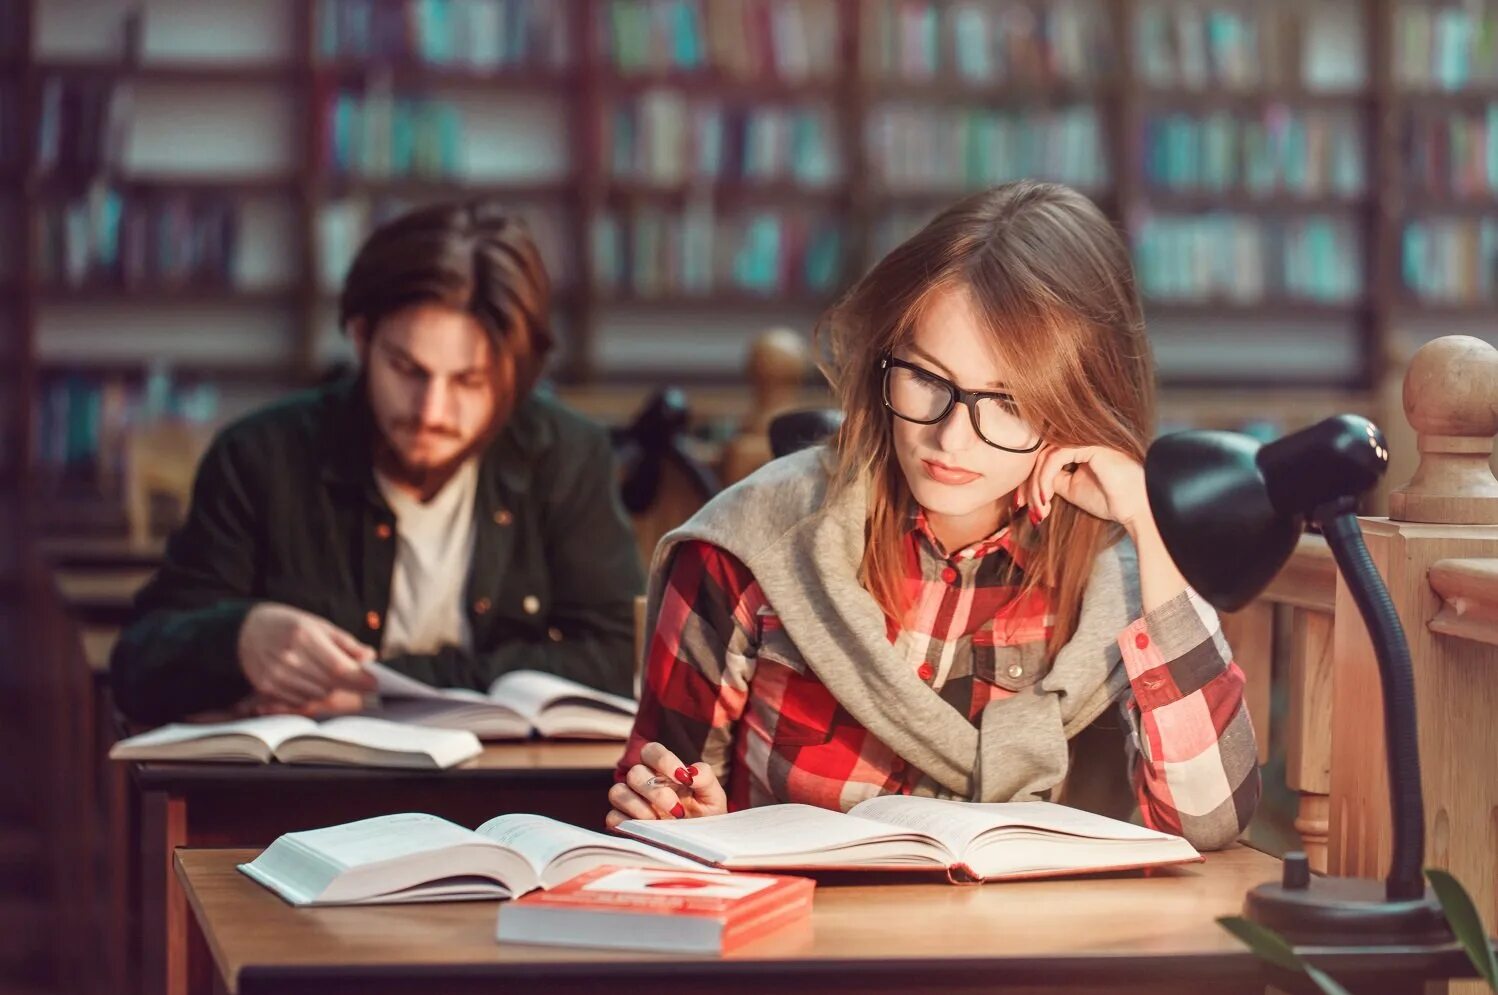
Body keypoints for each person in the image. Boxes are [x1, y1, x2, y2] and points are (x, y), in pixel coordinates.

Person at [609, 181, 1259, 849]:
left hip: (1049, 948)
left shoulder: (1122, 577)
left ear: (1079, 406)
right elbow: (658, 812)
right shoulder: (748, 545)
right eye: (925, 377)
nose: (951, 439)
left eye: (1007, 401)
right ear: (881, 363)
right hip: (811, 945)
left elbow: (1206, 824)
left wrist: (1148, 525)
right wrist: (679, 819)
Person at [112, 202, 644, 724]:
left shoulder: (567, 457)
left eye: (469, 381)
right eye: (406, 368)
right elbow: (136, 667)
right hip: (302, 796)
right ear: (361, 337)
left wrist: (382, 684)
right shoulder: (259, 457)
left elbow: (620, 656)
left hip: (512, 793)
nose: (431, 411)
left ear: (514, 375)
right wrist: (238, 640)